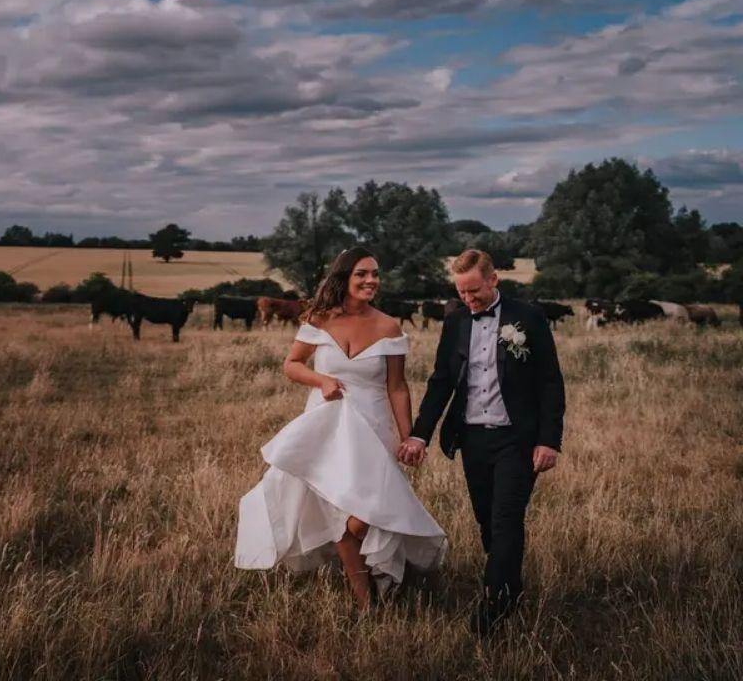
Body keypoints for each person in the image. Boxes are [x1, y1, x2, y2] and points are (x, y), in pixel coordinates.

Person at [235, 247, 447, 609]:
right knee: (337, 514)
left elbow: (396, 386)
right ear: (344, 278)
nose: (371, 281)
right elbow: (292, 364)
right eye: (362, 274)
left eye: (375, 274)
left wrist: (409, 436)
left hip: (372, 430)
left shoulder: (388, 326)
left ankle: (386, 574)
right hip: (328, 430)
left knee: (363, 519)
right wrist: (321, 380)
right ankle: (367, 603)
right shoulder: (319, 320)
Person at [398, 249, 565, 635]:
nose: (469, 300)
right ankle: (510, 586)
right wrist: (420, 433)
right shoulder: (455, 321)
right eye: (462, 293)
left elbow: (551, 381)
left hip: (516, 439)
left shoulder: (529, 318)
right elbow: (441, 381)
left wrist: (548, 440)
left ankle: (493, 607)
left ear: (493, 280)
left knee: (507, 518)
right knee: (487, 520)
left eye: (475, 291)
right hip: (471, 438)